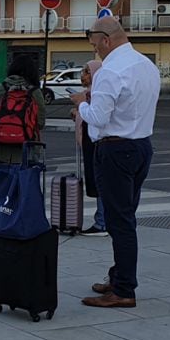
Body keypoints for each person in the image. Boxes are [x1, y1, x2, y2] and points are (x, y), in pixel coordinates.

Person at [71, 17, 160, 308]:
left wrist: (80, 102)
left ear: (106, 40)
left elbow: (97, 117)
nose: (95, 49)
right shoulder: (146, 65)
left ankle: (123, 290)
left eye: (95, 43)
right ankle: (119, 276)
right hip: (141, 146)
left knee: (119, 222)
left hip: (115, 149)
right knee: (126, 216)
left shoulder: (110, 71)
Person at [0, 54, 47, 164]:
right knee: (25, 180)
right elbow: (40, 122)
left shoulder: (0, 88)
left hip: (0, 150)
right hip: (27, 149)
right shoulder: (35, 92)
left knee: (2, 180)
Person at [72, 60, 106, 237]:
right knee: (96, 180)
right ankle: (102, 220)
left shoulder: (97, 95)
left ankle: (102, 222)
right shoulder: (86, 95)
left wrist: (82, 105)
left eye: (87, 71)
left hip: (97, 143)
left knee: (101, 181)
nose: (83, 75)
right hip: (88, 142)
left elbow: (96, 116)